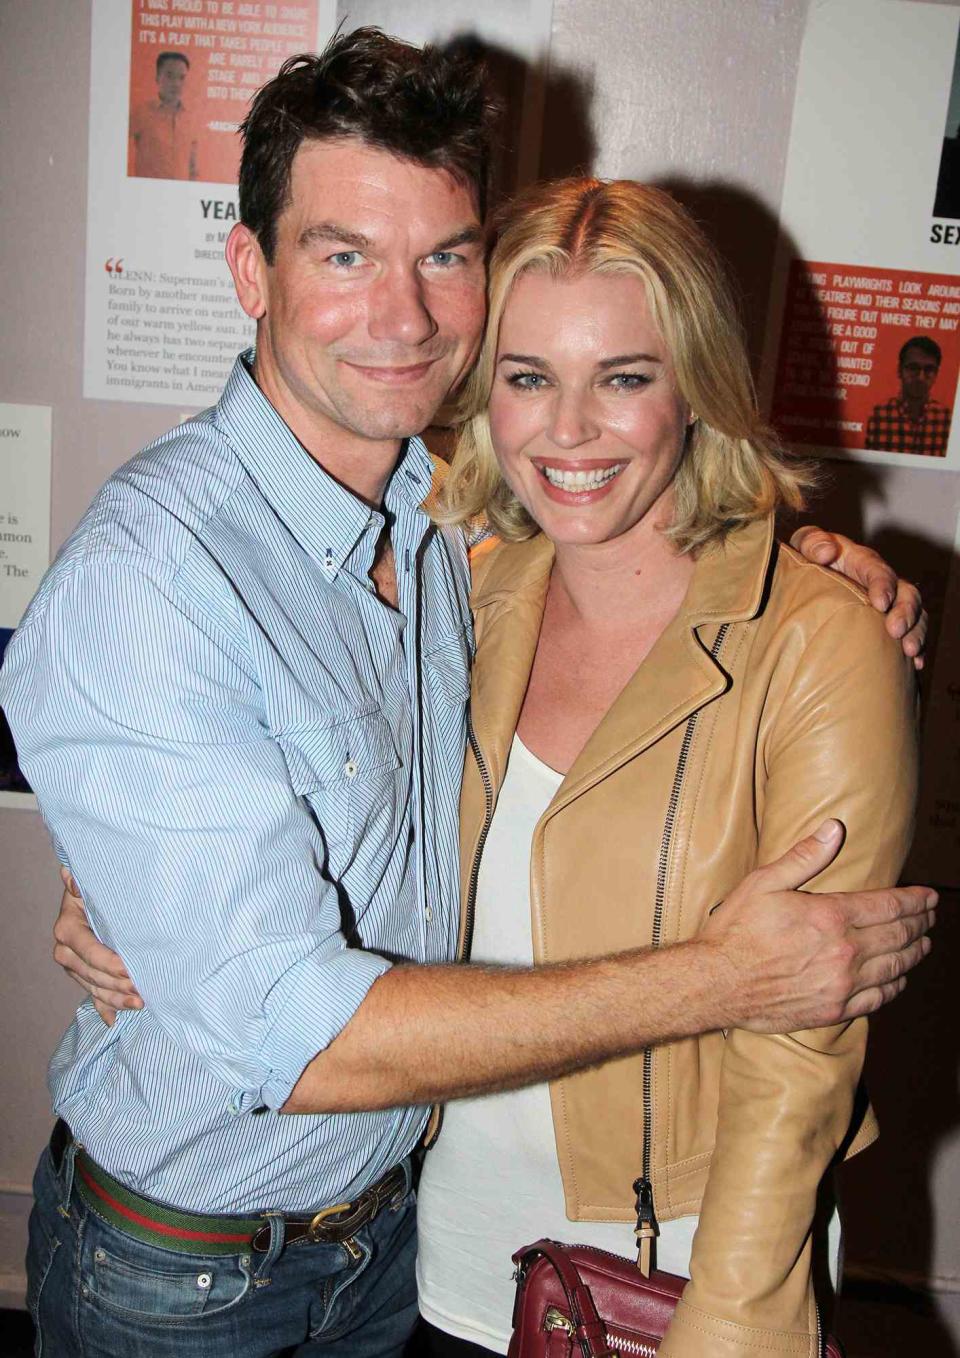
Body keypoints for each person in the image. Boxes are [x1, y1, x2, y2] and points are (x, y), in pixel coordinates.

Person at [7, 30, 932, 1358]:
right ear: (250, 271)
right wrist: (718, 977)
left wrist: (842, 582)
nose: (402, 312)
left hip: (462, 1254)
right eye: (343, 255)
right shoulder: (169, 577)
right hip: (202, 1282)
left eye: (442, 255)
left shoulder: (450, 542)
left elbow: (796, 1075)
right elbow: (297, 1030)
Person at [407, 178, 922, 1357]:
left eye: (623, 378)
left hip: (676, 1278)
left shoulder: (822, 636)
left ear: (697, 384)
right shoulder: (462, 601)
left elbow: (804, 1061)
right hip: (443, 1257)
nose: (568, 430)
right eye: (529, 377)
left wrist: (730, 1324)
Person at [865, 335, 952, 457]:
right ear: (899, 370)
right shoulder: (879, 415)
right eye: (913, 368)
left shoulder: (947, 420)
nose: (921, 377)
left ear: (936, 374)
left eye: (929, 369)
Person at [130, 50, 200, 181]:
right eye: (169, 76)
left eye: (181, 77)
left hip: (181, 195)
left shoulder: (191, 119)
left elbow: (193, 167)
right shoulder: (140, 112)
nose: (176, 83)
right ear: (157, 77)